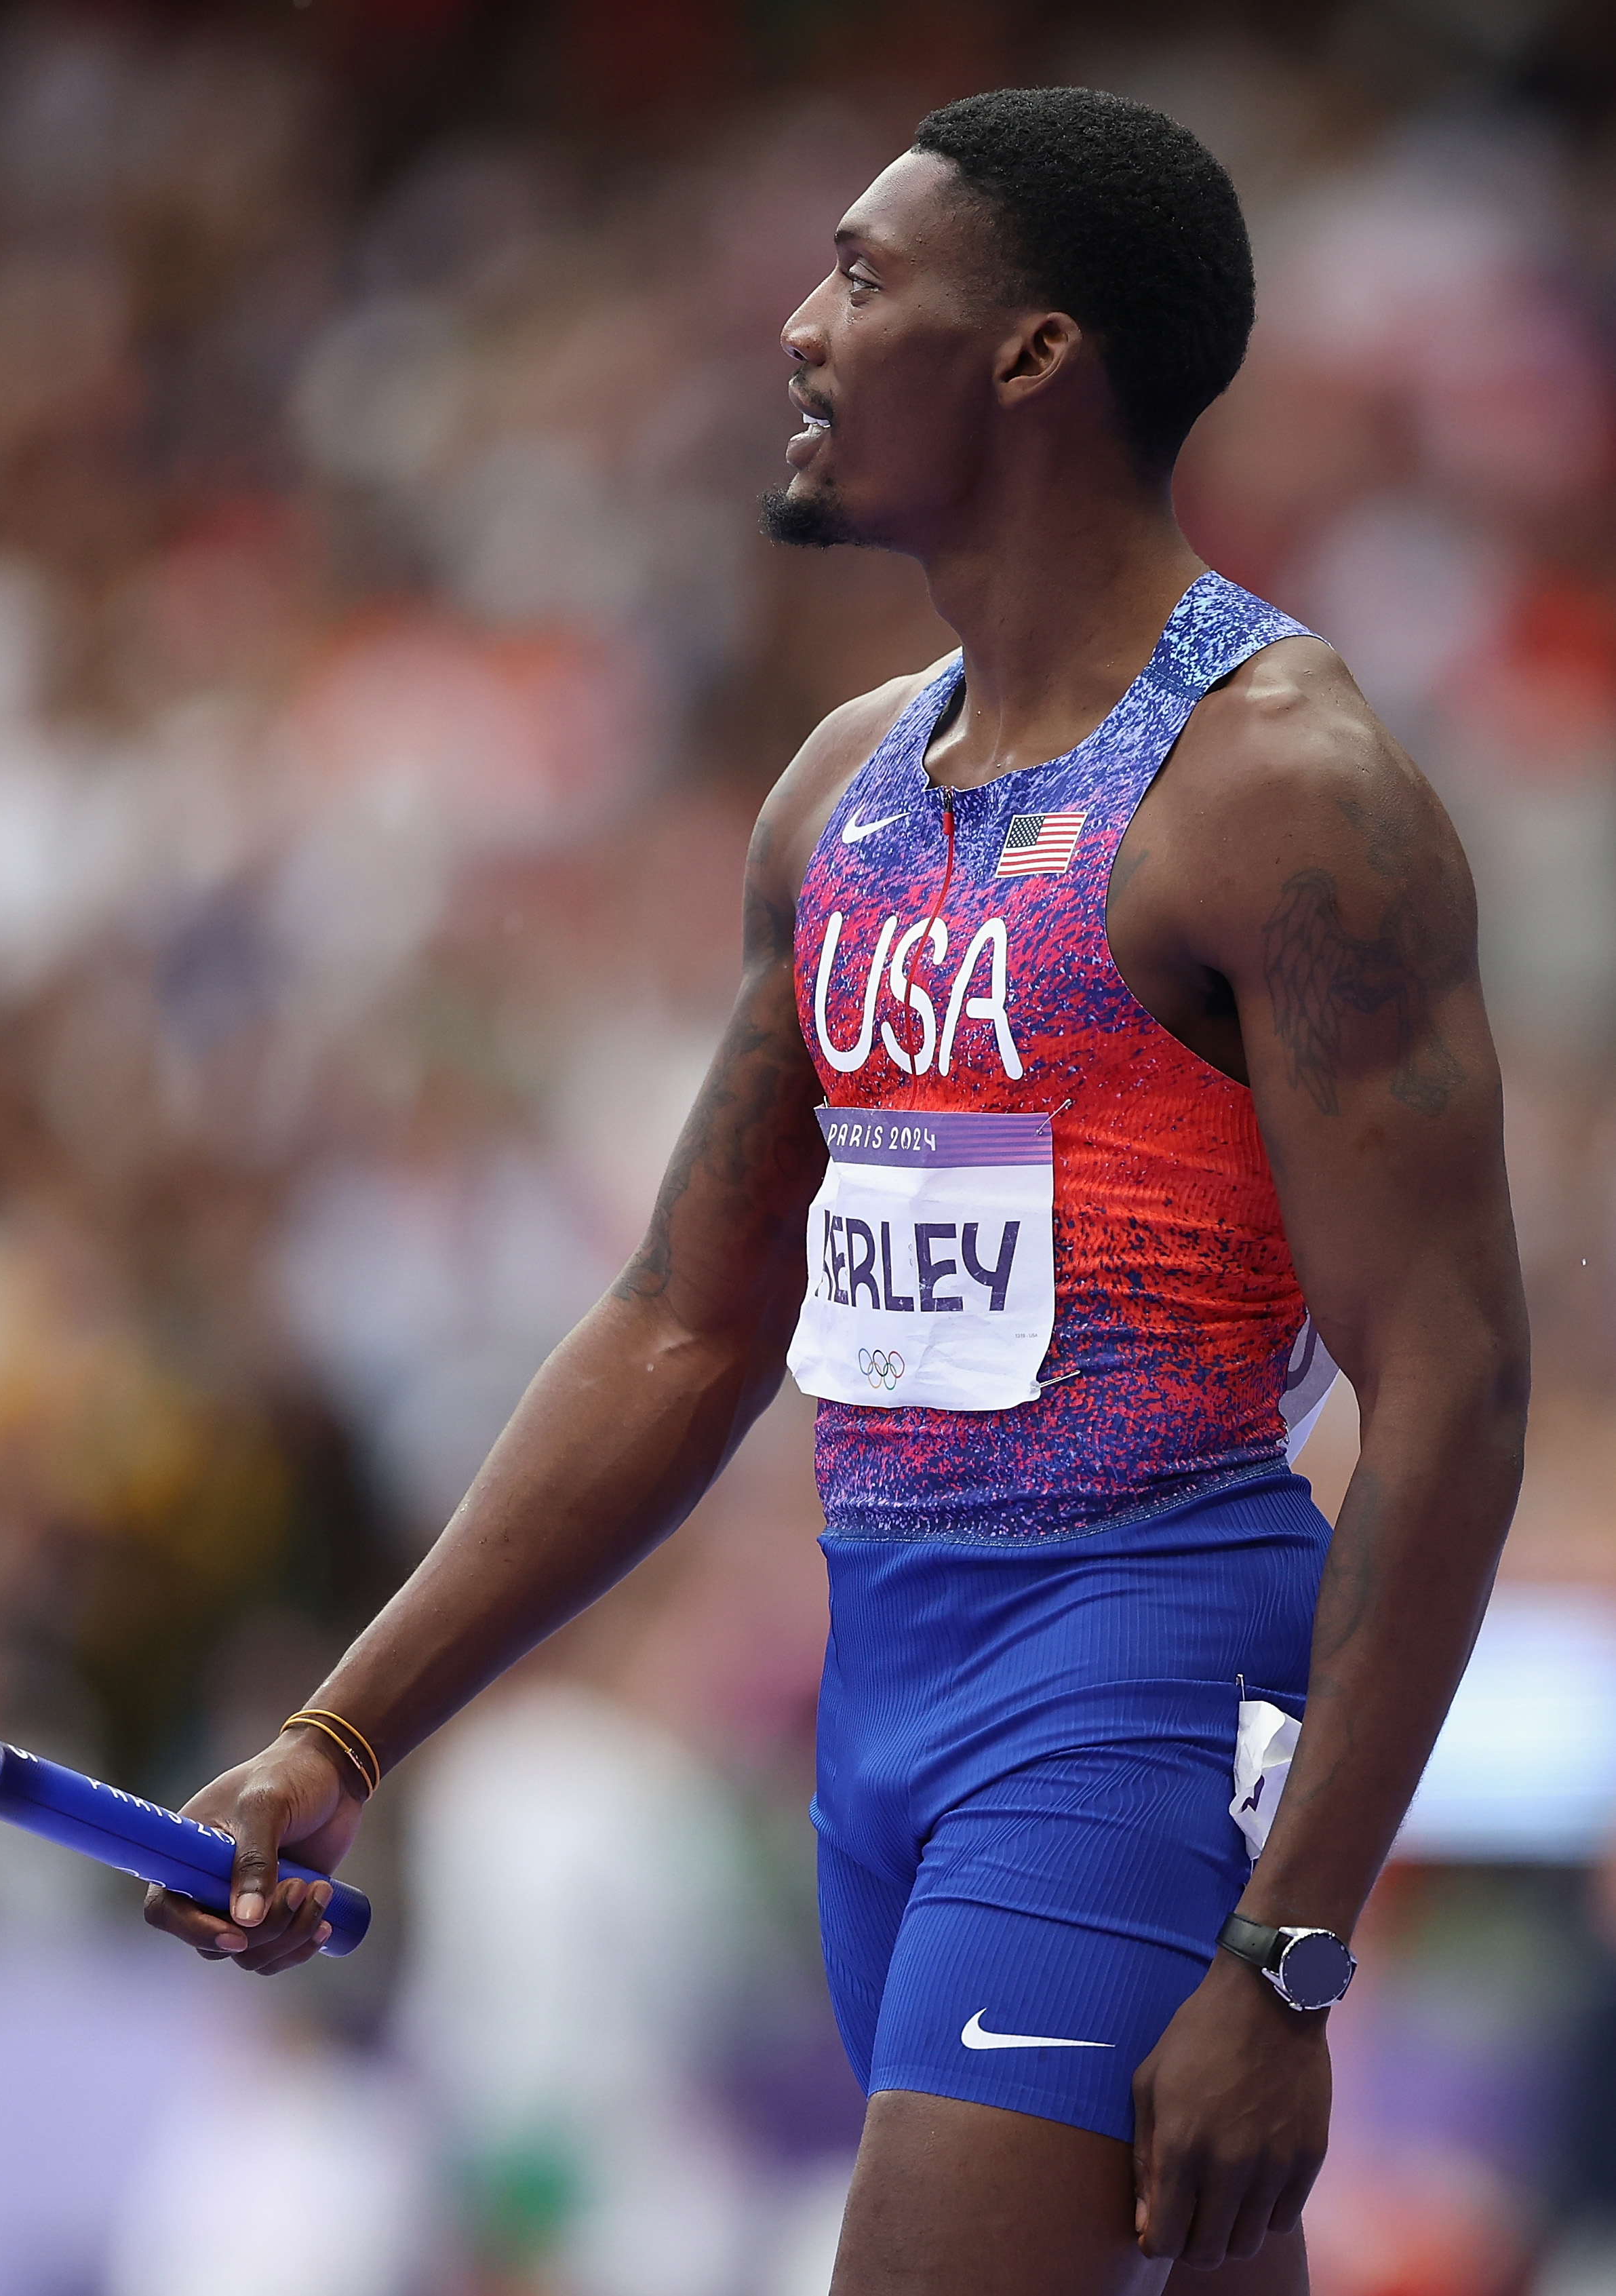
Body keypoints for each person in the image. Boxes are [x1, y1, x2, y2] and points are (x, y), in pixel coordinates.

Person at [145, 87, 1529, 2295]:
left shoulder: (1279, 792)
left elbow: (1450, 1389)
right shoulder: (844, 797)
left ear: (1031, 357)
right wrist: (342, 1728)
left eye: (865, 277)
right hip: (881, 1692)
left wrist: (1288, 1951)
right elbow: (683, 1324)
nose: (796, 327)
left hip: (1136, 1670)